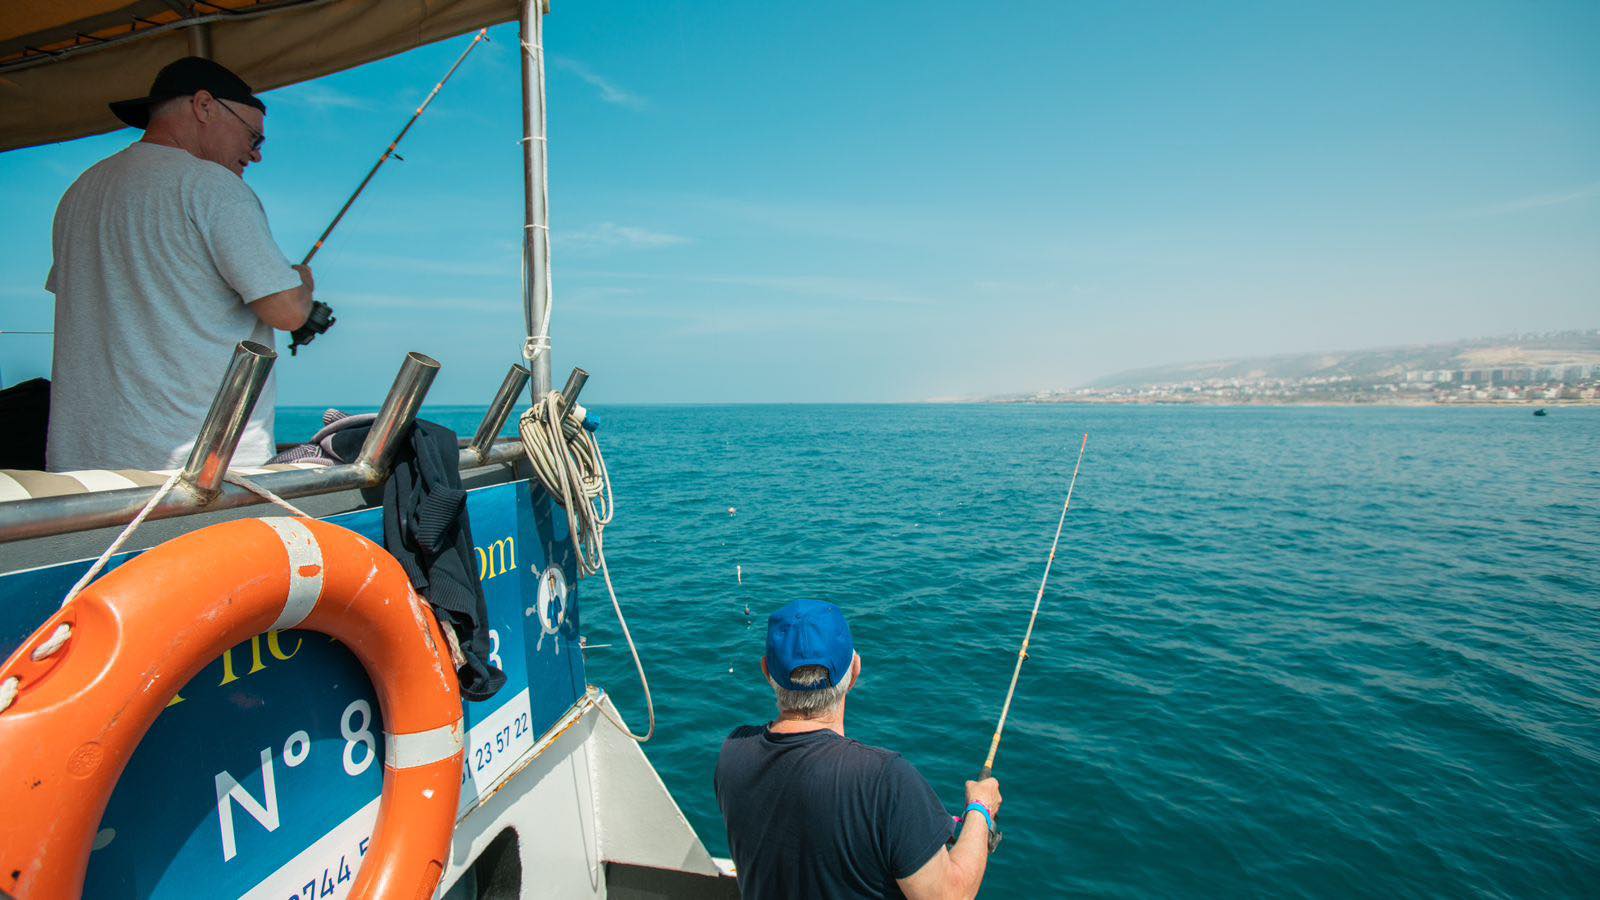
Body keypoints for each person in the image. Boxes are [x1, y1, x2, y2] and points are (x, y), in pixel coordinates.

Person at [44, 56, 313, 472]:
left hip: (81, 468)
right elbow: (288, 312)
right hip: (193, 472)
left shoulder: (81, 190)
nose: (256, 156)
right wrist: (301, 281)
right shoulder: (211, 185)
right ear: (204, 106)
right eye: (254, 138)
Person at [716, 599, 1002, 899]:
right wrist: (980, 809)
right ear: (855, 670)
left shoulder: (733, 754)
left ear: (766, 671)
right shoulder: (885, 781)